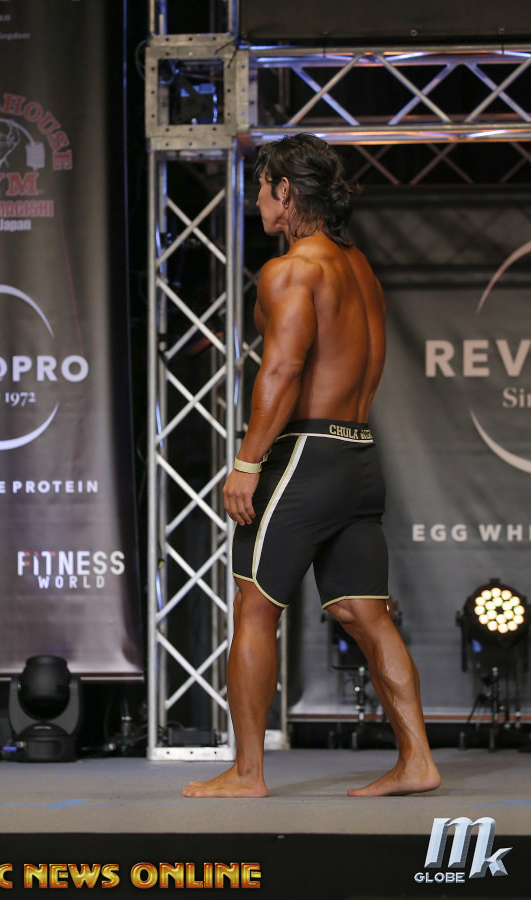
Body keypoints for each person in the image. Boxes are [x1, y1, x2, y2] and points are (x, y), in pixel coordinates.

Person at [183, 133, 440, 799]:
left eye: (261, 188)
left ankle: (247, 773)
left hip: (303, 455)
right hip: (357, 454)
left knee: (254, 607)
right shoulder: (359, 269)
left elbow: (284, 370)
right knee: (364, 612)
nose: (256, 201)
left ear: (286, 192)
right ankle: (417, 760)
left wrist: (247, 462)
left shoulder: (294, 270)